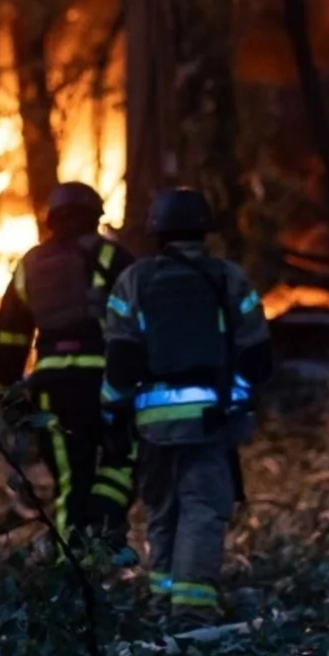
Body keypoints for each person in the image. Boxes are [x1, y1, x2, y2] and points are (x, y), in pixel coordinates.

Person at [101, 188, 270, 631]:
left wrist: (112, 415)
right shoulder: (228, 279)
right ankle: (192, 611)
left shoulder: (132, 281)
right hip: (210, 420)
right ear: (204, 229)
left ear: (156, 231)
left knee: (161, 511)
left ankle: (162, 604)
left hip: (151, 422)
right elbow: (257, 357)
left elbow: (120, 359)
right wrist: (239, 400)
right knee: (202, 508)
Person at [0, 182, 135, 555]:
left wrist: (10, 392)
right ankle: (97, 533)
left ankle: (72, 570)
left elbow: (9, 334)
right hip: (107, 383)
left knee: (71, 481)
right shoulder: (114, 257)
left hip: (53, 387)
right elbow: (141, 321)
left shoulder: (31, 264)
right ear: (95, 216)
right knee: (125, 457)